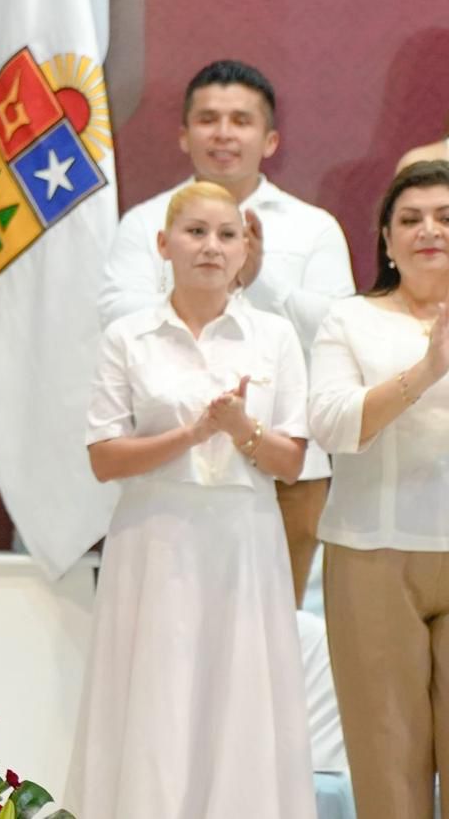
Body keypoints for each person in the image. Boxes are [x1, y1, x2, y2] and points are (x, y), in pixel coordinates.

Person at [69, 181, 315, 818]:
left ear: (245, 250)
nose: (212, 247)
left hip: (244, 537)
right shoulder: (129, 336)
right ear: (163, 244)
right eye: (196, 232)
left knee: (240, 693)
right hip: (153, 535)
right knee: (156, 693)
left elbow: (292, 462)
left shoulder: (274, 336)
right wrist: (193, 433)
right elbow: (104, 458)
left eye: (228, 235)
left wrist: (241, 428)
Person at [99, 59, 354, 606]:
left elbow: (337, 334)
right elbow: (118, 317)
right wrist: (209, 286)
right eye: (208, 119)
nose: (223, 133)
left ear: (270, 140)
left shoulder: (313, 227)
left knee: (271, 626)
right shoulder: (145, 223)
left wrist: (261, 281)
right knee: (172, 623)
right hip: (168, 464)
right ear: (184, 135)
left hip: (286, 468)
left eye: (241, 120)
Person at [308, 159, 449, 818]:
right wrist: (427, 370)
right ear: (387, 241)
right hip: (372, 559)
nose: (429, 230)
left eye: (445, 217)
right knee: (388, 765)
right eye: (410, 219)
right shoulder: (350, 321)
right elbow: (332, 424)